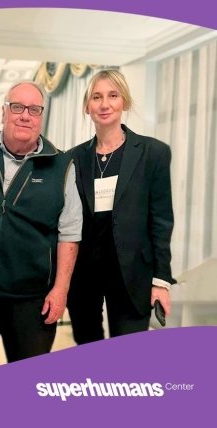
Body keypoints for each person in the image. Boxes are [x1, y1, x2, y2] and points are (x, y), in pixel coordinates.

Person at [0, 81, 83, 373]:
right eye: (17, 107)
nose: (25, 115)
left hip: (32, 301)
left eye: (34, 109)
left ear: (41, 116)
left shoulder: (62, 165)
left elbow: (70, 233)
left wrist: (61, 290)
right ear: (3, 112)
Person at [66, 69, 176, 344]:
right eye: (97, 97)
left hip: (133, 276)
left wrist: (161, 280)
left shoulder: (153, 153)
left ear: (124, 101)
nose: (105, 104)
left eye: (113, 96)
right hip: (84, 277)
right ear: (87, 106)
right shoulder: (72, 159)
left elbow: (161, 220)